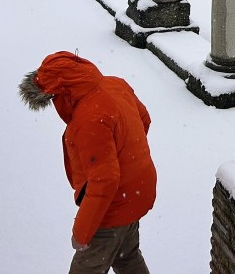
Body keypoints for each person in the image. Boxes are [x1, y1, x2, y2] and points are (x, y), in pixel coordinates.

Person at [19, 51, 156, 274]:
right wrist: (127, 154)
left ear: (63, 92)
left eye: (54, 98)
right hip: (138, 191)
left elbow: (105, 181)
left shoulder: (89, 119)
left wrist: (81, 234)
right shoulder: (115, 84)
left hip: (112, 207)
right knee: (127, 257)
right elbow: (144, 120)